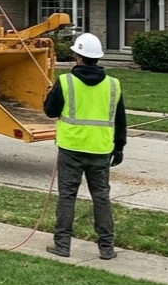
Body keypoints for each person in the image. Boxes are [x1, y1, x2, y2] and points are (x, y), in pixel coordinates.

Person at [43, 32, 127, 261]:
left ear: (78, 58)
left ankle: (62, 245)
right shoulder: (113, 85)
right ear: (97, 58)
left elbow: (50, 111)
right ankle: (107, 248)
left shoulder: (65, 82)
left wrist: (48, 95)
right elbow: (120, 120)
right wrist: (119, 147)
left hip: (71, 148)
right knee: (101, 198)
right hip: (100, 150)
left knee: (67, 197)